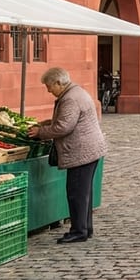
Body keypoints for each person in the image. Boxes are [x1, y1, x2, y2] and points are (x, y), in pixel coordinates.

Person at [28, 67, 107, 244]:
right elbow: (66, 120)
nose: (48, 90)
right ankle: (85, 228)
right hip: (89, 149)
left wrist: (41, 132)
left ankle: (78, 230)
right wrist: (47, 122)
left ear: (58, 82)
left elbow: (64, 127)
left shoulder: (70, 98)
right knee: (84, 192)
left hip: (81, 151)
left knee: (76, 192)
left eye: (49, 86)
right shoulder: (75, 92)